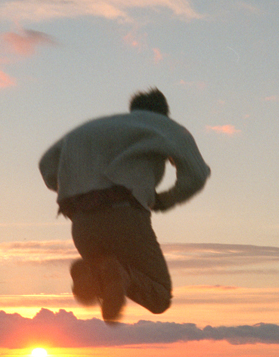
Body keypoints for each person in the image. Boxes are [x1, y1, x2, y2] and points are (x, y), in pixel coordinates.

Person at [39, 88, 210, 323]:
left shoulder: (93, 127)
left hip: (82, 224)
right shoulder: (162, 126)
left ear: (133, 110)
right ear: (164, 114)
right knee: (159, 295)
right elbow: (197, 174)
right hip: (125, 216)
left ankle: (91, 273)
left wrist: (76, 184)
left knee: (99, 280)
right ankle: (120, 274)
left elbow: (46, 165)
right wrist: (164, 200)